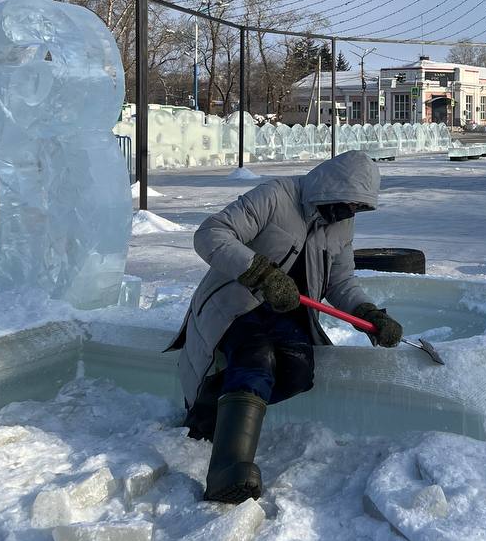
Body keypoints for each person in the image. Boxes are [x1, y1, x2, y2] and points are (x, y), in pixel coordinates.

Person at [164, 150, 403, 503]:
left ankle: (214, 406)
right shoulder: (275, 196)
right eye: (347, 203)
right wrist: (259, 272)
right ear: (328, 188)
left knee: (297, 372)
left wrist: (369, 314)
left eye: (357, 207)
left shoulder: (341, 222)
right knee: (255, 360)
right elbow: (211, 233)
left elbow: (341, 282)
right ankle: (226, 471)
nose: (349, 213)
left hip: (289, 313)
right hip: (237, 303)